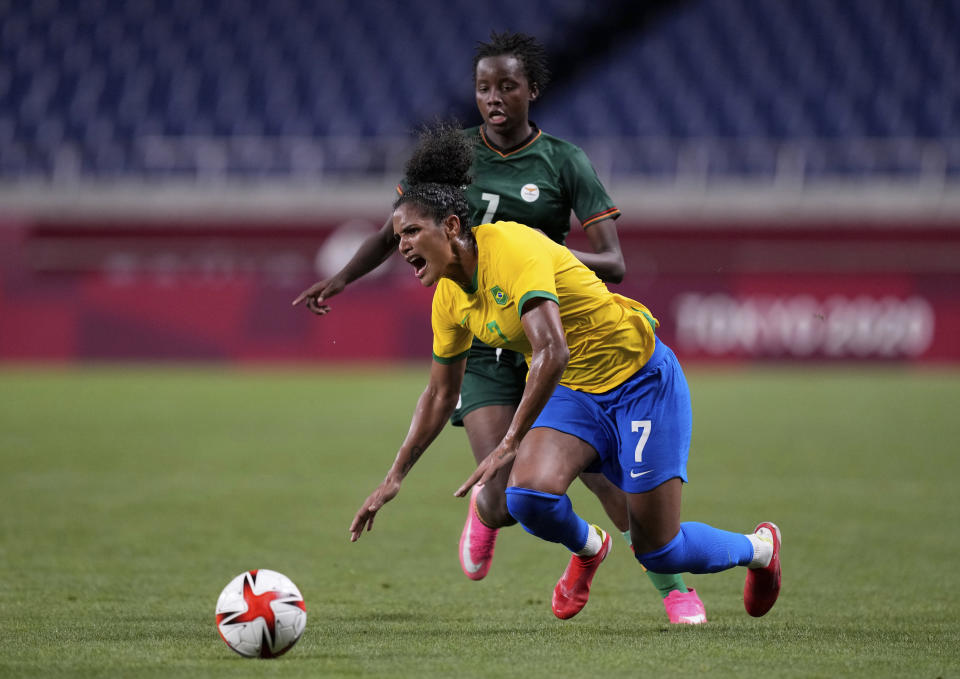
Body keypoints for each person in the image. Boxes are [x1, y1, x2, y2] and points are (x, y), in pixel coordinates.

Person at [294, 32, 706, 624]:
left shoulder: (565, 161)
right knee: (503, 496)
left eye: (507, 86)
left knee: (619, 500)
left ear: (532, 91)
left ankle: (673, 589)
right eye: (483, 87)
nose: (493, 97)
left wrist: (540, 258)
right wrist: (341, 278)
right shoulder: (451, 161)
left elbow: (615, 264)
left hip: (550, 330)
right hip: (488, 341)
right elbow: (398, 229)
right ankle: (523, 526)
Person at [347, 122, 782, 621]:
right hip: (576, 391)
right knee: (528, 497)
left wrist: (510, 441)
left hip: (640, 380)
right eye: (398, 235)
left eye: (411, 232)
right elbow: (440, 394)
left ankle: (760, 550)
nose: (400, 246)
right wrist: (394, 477)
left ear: (449, 227)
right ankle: (589, 548)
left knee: (660, 549)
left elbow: (551, 350)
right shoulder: (448, 298)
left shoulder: (512, 248)